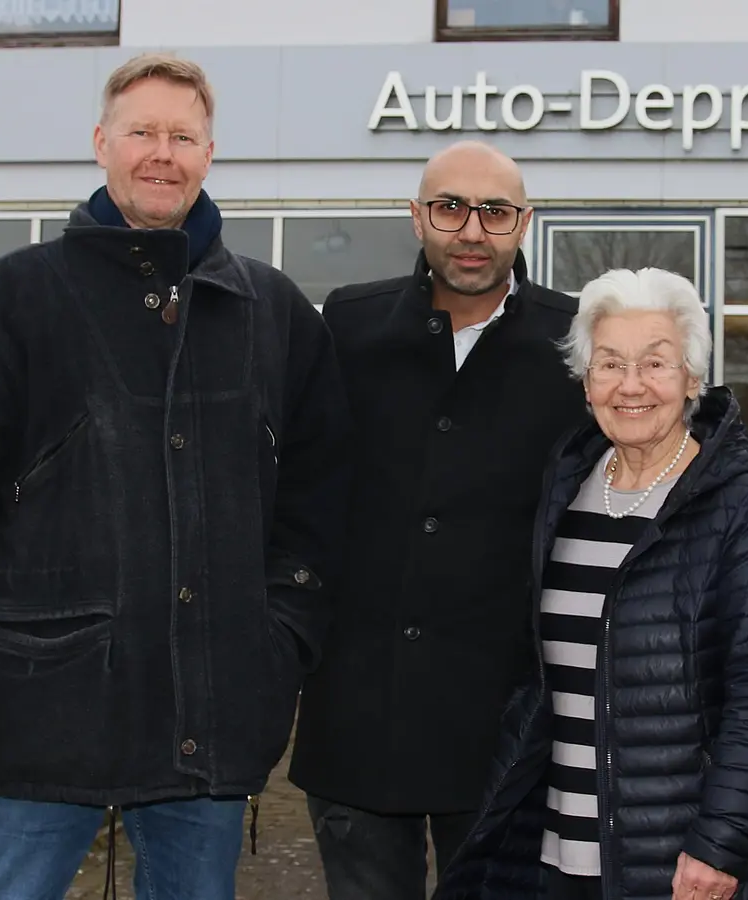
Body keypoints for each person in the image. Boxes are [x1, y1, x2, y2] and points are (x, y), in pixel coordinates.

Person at [0, 53, 350, 900]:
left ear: (210, 154)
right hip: (38, 714)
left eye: (182, 135)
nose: (161, 153)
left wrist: (278, 641)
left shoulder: (272, 314)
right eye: (142, 132)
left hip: (207, 721)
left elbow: (317, 506)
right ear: (102, 143)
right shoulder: (7, 302)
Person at [436, 268, 748, 900]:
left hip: (678, 865)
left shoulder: (742, 505)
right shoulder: (567, 482)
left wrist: (719, 843)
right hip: (561, 852)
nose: (631, 385)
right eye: (609, 363)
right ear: (586, 383)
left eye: (656, 363)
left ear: (693, 379)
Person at [288, 140, 588, 900]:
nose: (473, 230)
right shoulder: (348, 325)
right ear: (417, 217)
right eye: (451, 208)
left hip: (506, 727)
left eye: (496, 211)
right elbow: (298, 485)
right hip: (357, 717)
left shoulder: (576, 342)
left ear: (525, 222)